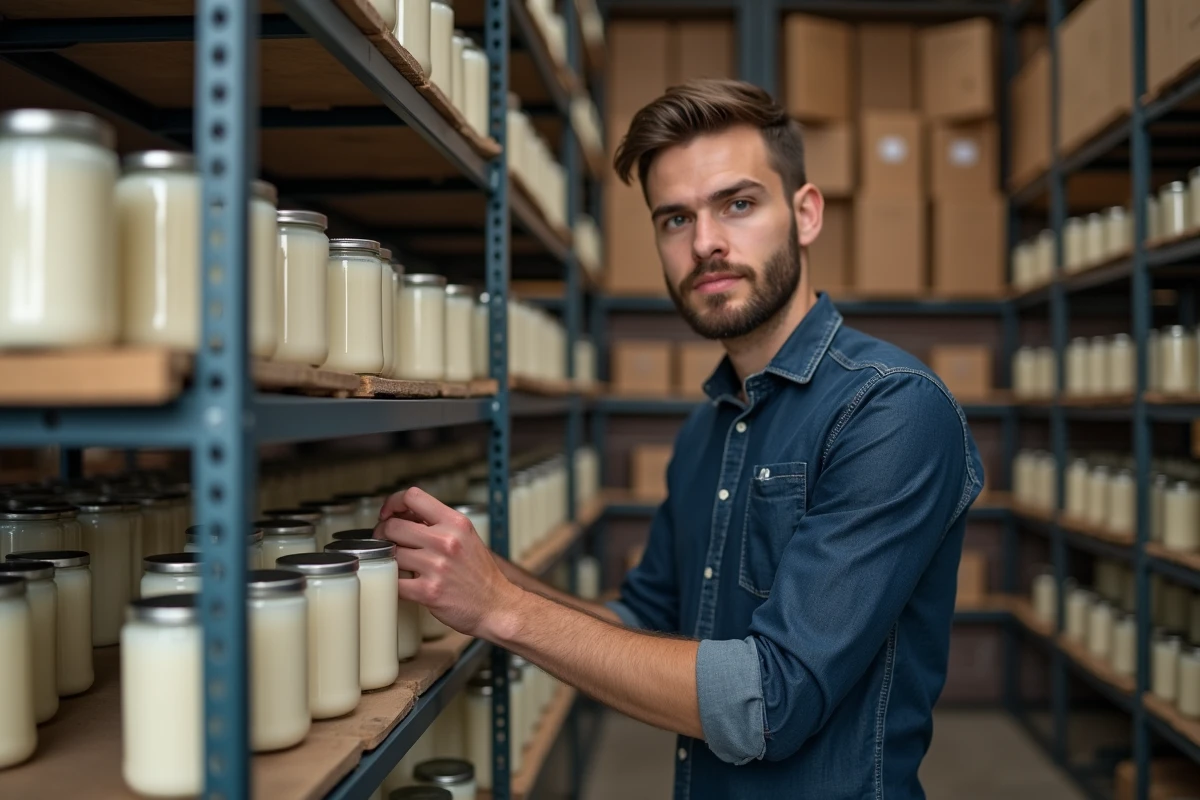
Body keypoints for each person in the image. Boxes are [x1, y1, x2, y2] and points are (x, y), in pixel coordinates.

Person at [377, 78, 984, 799]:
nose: (705, 244)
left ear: (806, 213)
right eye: (674, 219)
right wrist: (480, 573)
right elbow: (640, 629)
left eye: (738, 204)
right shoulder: (709, 429)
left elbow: (769, 702)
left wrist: (500, 610)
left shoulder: (891, 409)